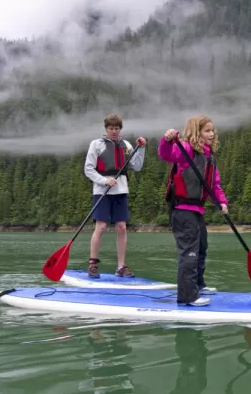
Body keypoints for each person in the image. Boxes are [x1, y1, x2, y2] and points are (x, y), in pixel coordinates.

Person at [158, 116, 228, 306]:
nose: (212, 134)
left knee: (201, 248)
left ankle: (198, 285)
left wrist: (221, 202)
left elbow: (215, 184)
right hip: (182, 210)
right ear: (196, 132)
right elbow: (166, 155)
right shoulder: (185, 148)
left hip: (197, 210)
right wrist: (166, 139)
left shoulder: (209, 156)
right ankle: (187, 296)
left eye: (213, 131)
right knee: (189, 252)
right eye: (207, 131)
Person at [84, 113, 147, 278]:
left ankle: (121, 267)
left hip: (120, 191)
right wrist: (104, 180)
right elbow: (88, 169)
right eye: (111, 128)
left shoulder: (126, 145)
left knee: (121, 227)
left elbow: (137, 166)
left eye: (117, 128)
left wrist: (141, 149)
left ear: (120, 129)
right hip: (102, 192)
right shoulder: (96, 145)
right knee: (101, 227)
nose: (114, 131)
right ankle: (93, 265)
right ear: (106, 129)